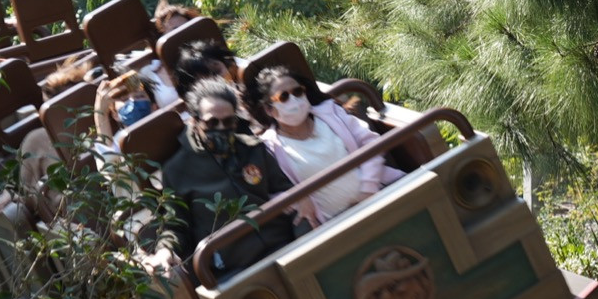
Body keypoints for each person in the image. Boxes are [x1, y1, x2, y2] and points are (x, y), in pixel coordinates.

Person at [160, 80, 296, 267]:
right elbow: (175, 224)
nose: (221, 128)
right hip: (234, 264)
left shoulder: (252, 148)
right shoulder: (177, 170)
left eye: (228, 121)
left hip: (282, 241)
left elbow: (284, 189)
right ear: (195, 121)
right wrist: (165, 250)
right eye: (212, 122)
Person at [251, 63, 387, 224]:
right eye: (283, 97)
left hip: (380, 196)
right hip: (339, 224)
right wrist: (297, 200)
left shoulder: (331, 112)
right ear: (269, 109)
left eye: (297, 91)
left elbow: (371, 143)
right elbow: (271, 192)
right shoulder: (270, 147)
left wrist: (368, 190)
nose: (294, 100)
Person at [93, 70, 157, 141]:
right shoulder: (119, 141)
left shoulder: (165, 125)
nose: (133, 101)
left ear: (154, 107)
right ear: (115, 114)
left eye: (139, 96)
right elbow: (106, 145)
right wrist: (101, 113)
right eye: (124, 99)